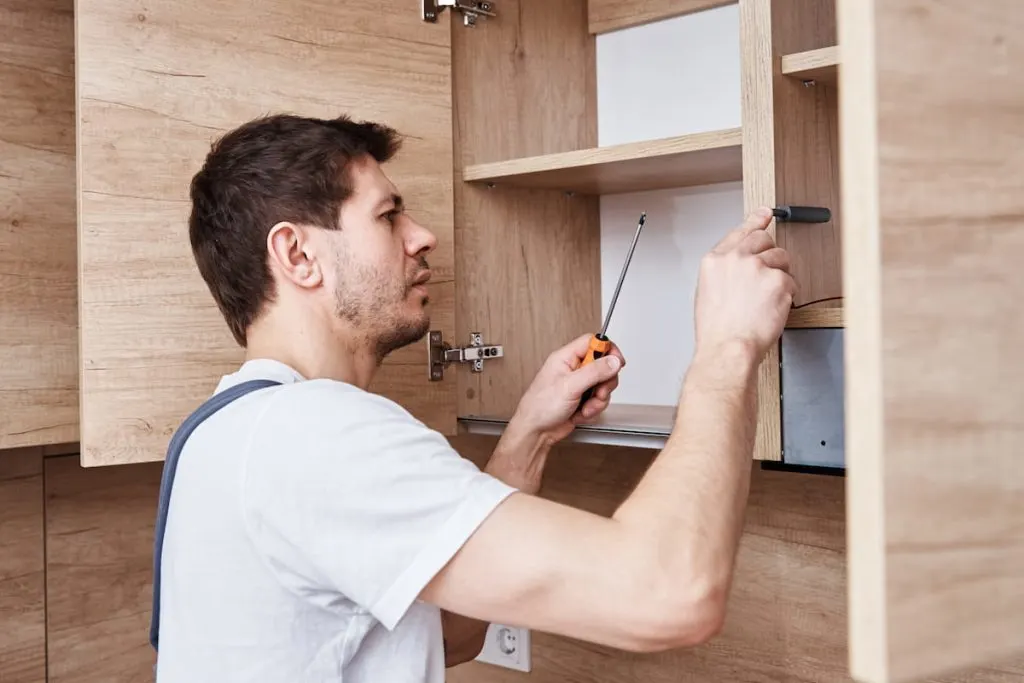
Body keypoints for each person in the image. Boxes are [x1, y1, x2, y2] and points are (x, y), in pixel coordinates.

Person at [151, 113, 797, 682]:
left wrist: (529, 436)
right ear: (297, 253)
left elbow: (447, 634)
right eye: (387, 215)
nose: (422, 235)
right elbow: (672, 591)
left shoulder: (225, 430)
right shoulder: (317, 433)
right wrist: (727, 345)